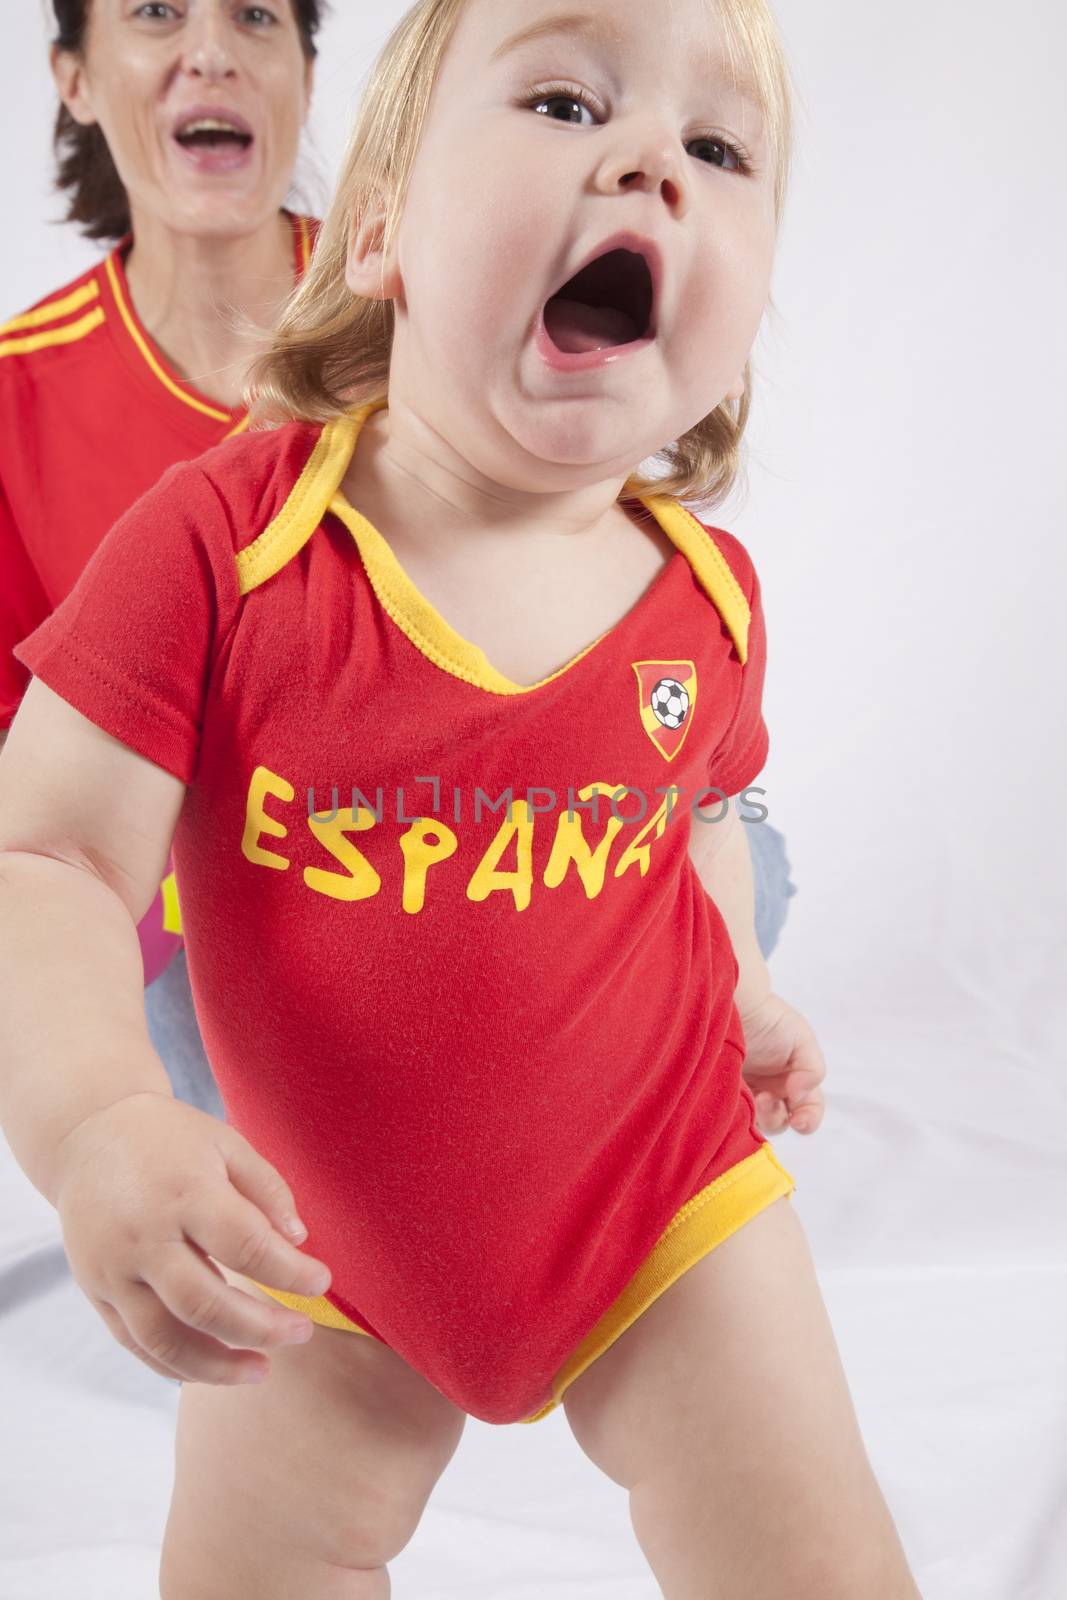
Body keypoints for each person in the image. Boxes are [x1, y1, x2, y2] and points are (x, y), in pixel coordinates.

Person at [0, 0, 918, 1596]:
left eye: (717, 151)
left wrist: (742, 977)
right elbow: (51, 854)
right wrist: (96, 1121)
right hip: (315, 1238)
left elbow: (692, 819)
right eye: (566, 103)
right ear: (376, 235)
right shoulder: (224, 547)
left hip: (662, 1208)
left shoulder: (703, 596)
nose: (650, 165)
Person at [0, 0, 325, 1117]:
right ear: (76, 80)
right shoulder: (15, 397)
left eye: (254, 15)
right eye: (155, 11)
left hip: (474, 857)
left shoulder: (431, 316)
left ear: (304, 75)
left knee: (737, 872)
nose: (211, 50)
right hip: (203, 932)